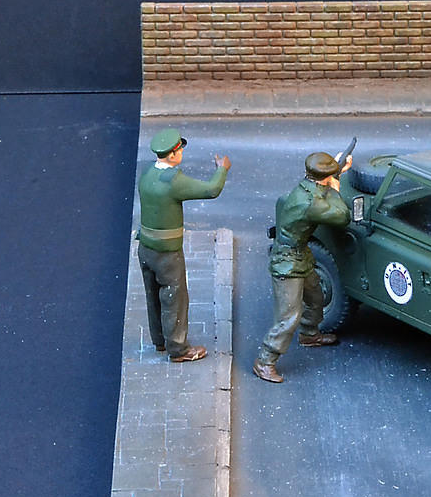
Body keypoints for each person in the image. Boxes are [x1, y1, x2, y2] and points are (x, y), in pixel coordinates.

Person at [252, 151, 352, 383]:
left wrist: (337, 170)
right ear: (325, 178)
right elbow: (343, 216)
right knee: (289, 316)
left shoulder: (307, 186)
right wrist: (336, 189)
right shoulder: (310, 202)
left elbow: (321, 185)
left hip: (300, 256)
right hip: (287, 263)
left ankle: (309, 334)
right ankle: (265, 361)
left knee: (316, 297)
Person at [137, 128, 231, 362]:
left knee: (152, 295)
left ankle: (160, 340)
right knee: (174, 298)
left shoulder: (148, 173)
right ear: (172, 154)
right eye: (179, 150)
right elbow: (211, 190)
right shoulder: (173, 180)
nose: (181, 153)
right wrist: (222, 169)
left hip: (145, 246)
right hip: (167, 252)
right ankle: (178, 349)